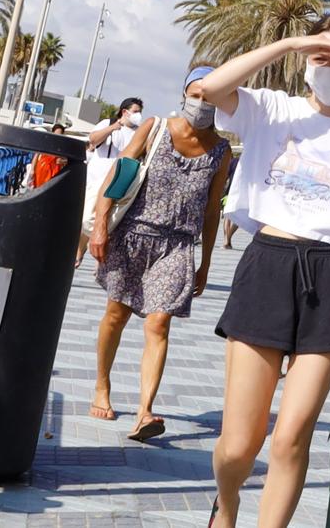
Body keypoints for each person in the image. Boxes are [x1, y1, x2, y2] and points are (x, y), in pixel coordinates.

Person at [197, 15, 330, 528]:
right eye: (322, 57)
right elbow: (210, 87)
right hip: (268, 266)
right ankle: (227, 504)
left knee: (291, 436)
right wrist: (291, 42)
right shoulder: (271, 109)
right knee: (239, 446)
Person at [86, 69, 230, 441]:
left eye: (209, 97)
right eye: (196, 94)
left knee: (158, 323)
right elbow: (120, 173)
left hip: (177, 245)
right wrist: (100, 224)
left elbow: (212, 210)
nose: (201, 103)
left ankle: (145, 411)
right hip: (134, 235)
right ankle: (102, 384)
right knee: (116, 315)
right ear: (184, 93)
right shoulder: (155, 128)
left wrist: (206, 262)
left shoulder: (221, 150)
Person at [77, 98, 144, 265]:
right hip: (97, 180)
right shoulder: (108, 123)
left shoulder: (139, 132)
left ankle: (103, 259)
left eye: (140, 111)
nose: (138, 115)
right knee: (87, 218)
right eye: (135, 111)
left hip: (121, 181)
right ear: (125, 111)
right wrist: (113, 127)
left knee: (112, 220)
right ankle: (79, 251)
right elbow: (93, 140)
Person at [30, 123, 69, 188]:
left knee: (51, 189)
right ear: (53, 132)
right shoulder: (46, 142)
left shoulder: (63, 146)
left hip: (55, 171)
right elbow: (36, 156)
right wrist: (32, 169)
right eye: (56, 133)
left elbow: (66, 160)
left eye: (60, 134)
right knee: (39, 188)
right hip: (42, 168)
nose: (58, 136)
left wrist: (62, 161)